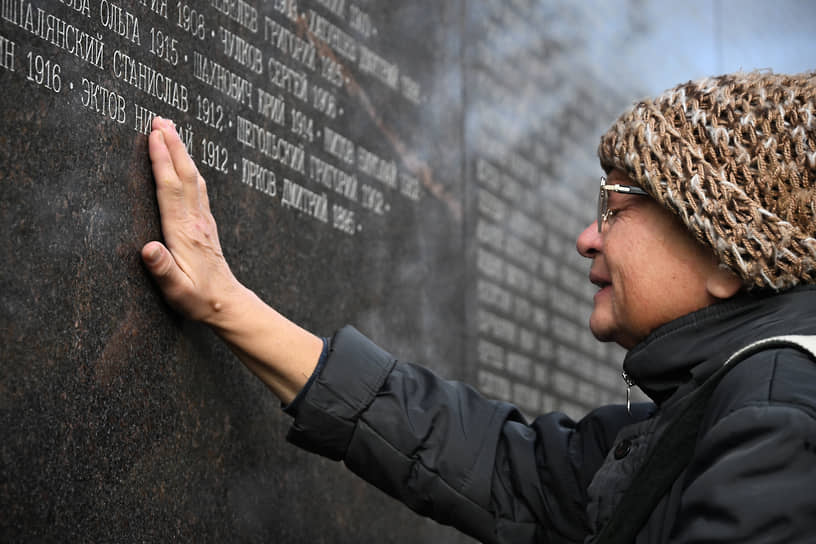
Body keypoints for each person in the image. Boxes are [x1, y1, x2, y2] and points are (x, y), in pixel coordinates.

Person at [140, 71, 816, 542]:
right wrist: (226, 303)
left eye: (614, 207)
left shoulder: (779, 412)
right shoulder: (726, 404)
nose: (587, 238)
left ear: (728, 255)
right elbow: (497, 464)